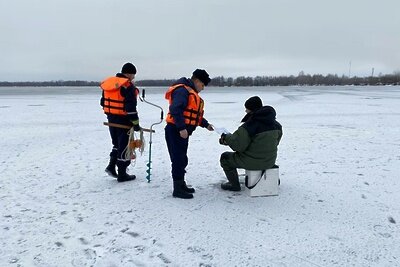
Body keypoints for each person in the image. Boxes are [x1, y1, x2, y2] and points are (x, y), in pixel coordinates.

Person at [165, 69, 214, 199]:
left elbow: (193, 114)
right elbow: (175, 109)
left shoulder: (190, 92)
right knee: (178, 159)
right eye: (202, 85)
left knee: (182, 159)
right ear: (196, 81)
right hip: (176, 130)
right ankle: (177, 189)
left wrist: (206, 124)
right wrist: (181, 128)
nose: (202, 89)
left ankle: (181, 184)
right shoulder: (182, 91)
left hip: (182, 131)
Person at [219, 96, 283, 191]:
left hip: (252, 162)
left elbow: (238, 146)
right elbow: (275, 143)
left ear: (251, 110)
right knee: (262, 156)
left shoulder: (249, 125)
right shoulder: (277, 125)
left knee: (225, 158)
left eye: (247, 109)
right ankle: (270, 178)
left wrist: (227, 138)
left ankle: (234, 185)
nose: (245, 111)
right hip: (269, 161)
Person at [100, 62, 140, 182]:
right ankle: (122, 174)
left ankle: (111, 167)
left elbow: (103, 102)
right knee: (124, 146)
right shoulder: (128, 87)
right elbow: (130, 108)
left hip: (111, 119)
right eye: (133, 75)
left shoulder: (110, 85)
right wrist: (136, 124)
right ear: (128, 74)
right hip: (123, 121)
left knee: (117, 144)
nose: (133, 78)